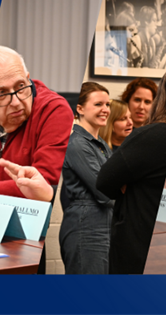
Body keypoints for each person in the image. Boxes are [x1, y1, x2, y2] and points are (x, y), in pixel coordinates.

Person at [96, 65, 166, 274]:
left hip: (136, 239)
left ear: (161, 97)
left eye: (148, 101)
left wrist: (125, 186)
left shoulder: (151, 135)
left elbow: (104, 180)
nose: (141, 107)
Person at [0, 46, 73, 201]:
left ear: (28, 78)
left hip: (27, 213)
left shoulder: (54, 110)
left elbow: (42, 187)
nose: (16, 102)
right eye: (2, 93)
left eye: (21, 86)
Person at [59, 82, 114, 274]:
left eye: (107, 105)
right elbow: (106, 192)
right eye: (98, 104)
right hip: (87, 228)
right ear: (80, 109)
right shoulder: (77, 144)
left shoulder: (101, 145)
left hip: (103, 225)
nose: (105, 110)